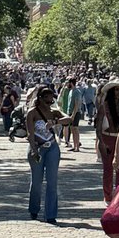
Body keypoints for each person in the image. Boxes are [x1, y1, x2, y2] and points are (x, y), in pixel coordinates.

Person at [25, 86, 72, 224]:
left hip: (52, 148)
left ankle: (50, 214)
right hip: (37, 148)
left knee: (52, 182)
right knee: (37, 183)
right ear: (39, 99)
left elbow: (68, 119)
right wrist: (34, 150)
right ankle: (34, 209)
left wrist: (56, 122)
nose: (49, 104)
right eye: (47, 100)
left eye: (51, 101)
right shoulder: (32, 113)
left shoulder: (54, 112)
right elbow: (30, 133)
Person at [96, 80, 119, 204]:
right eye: (116, 90)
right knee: (108, 169)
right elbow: (98, 127)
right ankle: (108, 196)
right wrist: (102, 143)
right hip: (107, 139)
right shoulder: (104, 106)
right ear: (111, 92)